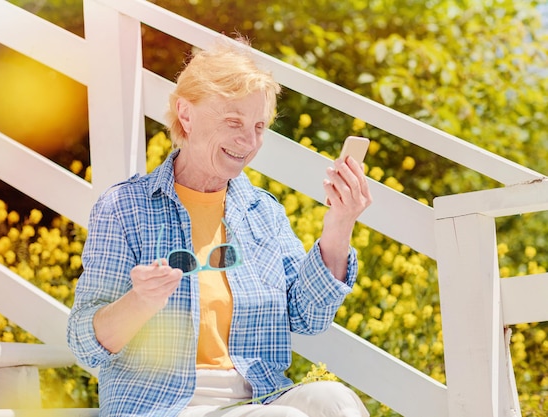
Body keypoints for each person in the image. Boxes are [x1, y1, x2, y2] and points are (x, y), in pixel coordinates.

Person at [67, 36, 372, 417]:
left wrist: (339, 224)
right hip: (162, 406)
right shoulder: (125, 208)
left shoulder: (262, 212)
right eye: (233, 122)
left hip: (258, 398)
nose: (248, 141)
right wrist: (140, 302)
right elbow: (84, 341)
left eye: (259, 126)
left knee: (336, 402)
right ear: (186, 114)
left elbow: (306, 315)